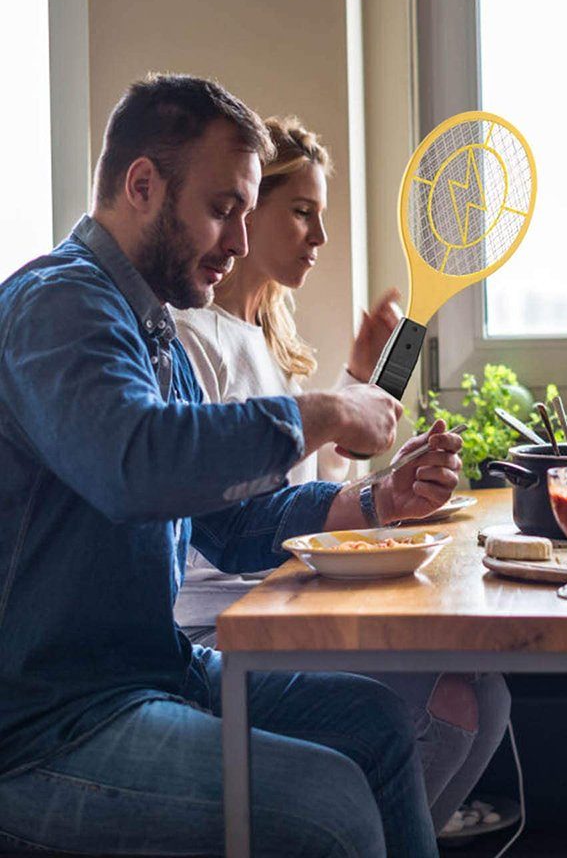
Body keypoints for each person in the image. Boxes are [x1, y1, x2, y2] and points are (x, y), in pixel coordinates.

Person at [0, 73, 463, 857]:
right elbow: (135, 466)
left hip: (154, 671)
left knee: (377, 725)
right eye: (223, 211)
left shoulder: (152, 332)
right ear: (141, 186)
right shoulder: (59, 305)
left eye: (248, 214)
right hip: (47, 724)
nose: (241, 243)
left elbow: (237, 524)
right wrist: (318, 412)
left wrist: (382, 498)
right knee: (327, 802)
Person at [173, 115, 511, 832]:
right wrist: (375, 497)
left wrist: (363, 382)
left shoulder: (260, 339)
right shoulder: (189, 337)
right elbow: (231, 518)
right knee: (453, 697)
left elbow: (303, 483)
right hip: (227, 627)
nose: (320, 240)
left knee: (490, 692)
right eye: (302, 214)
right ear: (247, 205)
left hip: (289, 603)